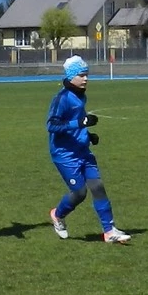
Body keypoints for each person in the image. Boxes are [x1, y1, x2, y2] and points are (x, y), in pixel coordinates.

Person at [47, 56, 129, 243]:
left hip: (82, 150)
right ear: (71, 76)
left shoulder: (80, 96)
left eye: (87, 75)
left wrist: (88, 135)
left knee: (98, 187)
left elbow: (77, 123)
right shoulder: (62, 99)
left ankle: (109, 231)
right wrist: (80, 123)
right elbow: (52, 126)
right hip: (64, 154)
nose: (86, 79)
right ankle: (57, 215)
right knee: (79, 193)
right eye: (82, 75)